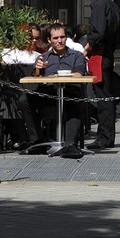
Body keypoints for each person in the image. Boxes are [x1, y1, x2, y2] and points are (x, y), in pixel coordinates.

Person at [32, 22, 88, 154]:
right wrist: (38, 70)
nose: (60, 41)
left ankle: (70, 145)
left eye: (62, 37)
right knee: (24, 101)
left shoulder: (76, 55)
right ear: (49, 40)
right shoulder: (43, 57)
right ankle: (37, 140)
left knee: (75, 99)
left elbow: (80, 73)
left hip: (70, 90)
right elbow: (36, 77)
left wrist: (58, 76)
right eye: (56, 38)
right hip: (49, 93)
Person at [80, 0, 119, 150]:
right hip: (108, 52)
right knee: (107, 96)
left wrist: (88, 45)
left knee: (102, 97)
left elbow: (98, 32)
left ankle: (104, 137)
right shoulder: (112, 4)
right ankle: (107, 136)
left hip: (100, 54)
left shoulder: (98, 5)